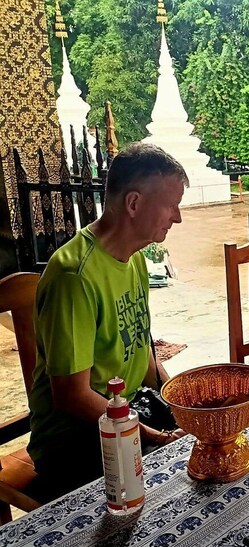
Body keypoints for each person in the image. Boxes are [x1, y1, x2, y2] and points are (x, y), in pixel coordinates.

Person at [27, 143, 188, 500]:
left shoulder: (135, 260)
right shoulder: (74, 275)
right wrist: (152, 435)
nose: (177, 217)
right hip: (75, 440)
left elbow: (144, 356)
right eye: (171, 204)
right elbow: (72, 396)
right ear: (133, 204)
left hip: (129, 413)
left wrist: (183, 405)